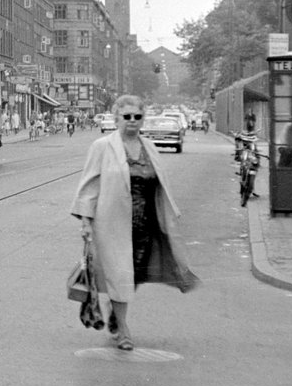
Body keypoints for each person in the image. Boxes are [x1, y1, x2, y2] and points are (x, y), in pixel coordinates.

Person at [71, 94, 199, 351]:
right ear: (117, 118)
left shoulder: (149, 147)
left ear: (143, 119)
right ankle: (123, 329)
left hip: (146, 224)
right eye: (126, 116)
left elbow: (159, 183)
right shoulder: (102, 147)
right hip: (113, 223)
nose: (132, 121)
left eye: (137, 117)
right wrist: (86, 221)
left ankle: (116, 311)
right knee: (120, 273)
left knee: (135, 273)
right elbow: (89, 186)